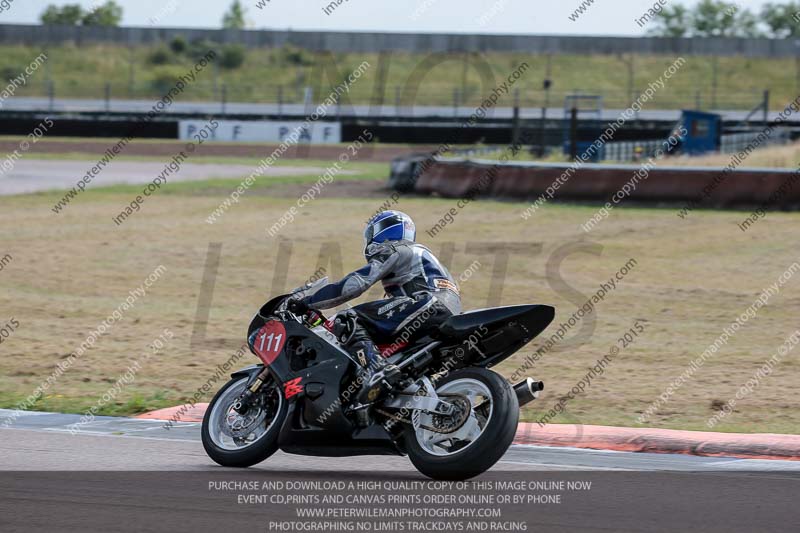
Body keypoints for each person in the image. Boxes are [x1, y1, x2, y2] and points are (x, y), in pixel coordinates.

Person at [288, 210, 461, 404]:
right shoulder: (421, 255)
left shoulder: (395, 249)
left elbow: (353, 285)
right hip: (445, 311)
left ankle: (378, 370)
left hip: (426, 304)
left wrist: (307, 302)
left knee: (347, 318)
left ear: (383, 232)